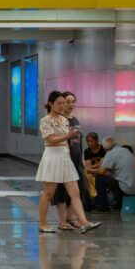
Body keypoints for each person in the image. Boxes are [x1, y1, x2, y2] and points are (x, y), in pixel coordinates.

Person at [36, 91, 100, 234]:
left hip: (65, 157)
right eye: (59, 103)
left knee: (75, 192)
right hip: (52, 157)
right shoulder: (45, 120)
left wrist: (69, 152)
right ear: (51, 104)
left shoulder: (64, 120)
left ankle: (84, 222)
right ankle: (43, 223)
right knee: (48, 193)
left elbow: (65, 142)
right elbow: (50, 139)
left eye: (63, 103)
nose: (62, 106)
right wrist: (68, 135)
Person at [50, 92, 90, 229]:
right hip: (63, 159)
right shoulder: (59, 120)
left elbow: (79, 141)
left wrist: (83, 160)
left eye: (73, 101)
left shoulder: (76, 120)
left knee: (80, 189)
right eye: (67, 101)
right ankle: (62, 221)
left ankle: (70, 217)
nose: (70, 104)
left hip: (76, 159)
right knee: (61, 190)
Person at [87, 136, 135, 213]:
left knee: (100, 178)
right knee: (120, 178)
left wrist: (89, 170)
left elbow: (102, 172)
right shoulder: (126, 151)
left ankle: (102, 207)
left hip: (127, 188)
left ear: (105, 148)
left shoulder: (110, 153)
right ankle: (118, 206)